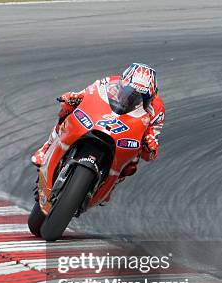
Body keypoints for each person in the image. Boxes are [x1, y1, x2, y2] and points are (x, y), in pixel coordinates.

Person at [30, 63, 165, 204]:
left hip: (128, 130)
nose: (133, 98)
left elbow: (150, 154)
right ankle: (47, 147)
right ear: (122, 84)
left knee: (132, 162)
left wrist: (150, 145)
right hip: (102, 119)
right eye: (130, 92)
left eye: (142, 96)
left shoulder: (157, 110)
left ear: (152, 95)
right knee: (67, 109)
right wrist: (73, 97)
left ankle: (111, 185)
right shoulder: (109, 82)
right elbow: (86, 94)